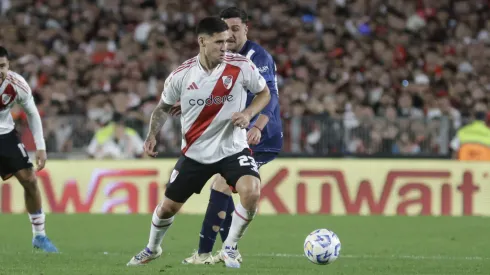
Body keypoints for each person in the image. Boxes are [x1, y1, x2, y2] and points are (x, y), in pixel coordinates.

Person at [126, 16, 271, 269]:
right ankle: (152, 248)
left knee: (252, 192)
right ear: (202, 42)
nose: (225, 47)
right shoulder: (181, 76)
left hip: (232, 149)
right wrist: (151, 135)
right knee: (167, 208)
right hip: (196, 153)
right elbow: (162, 109)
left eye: (227, 41)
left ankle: (230, 248)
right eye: (218, 42)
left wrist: (248, 114)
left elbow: (264, 93)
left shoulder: (241, 65)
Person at [181, 7, 283, 265]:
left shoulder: (257, 57)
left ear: (246, 29)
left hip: (260, 137)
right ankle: (225, 250)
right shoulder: (222, 59)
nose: (230, 36)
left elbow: (269, 97)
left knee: (221, 185)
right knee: (222, 187)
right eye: (226, 32)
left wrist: (257, 126)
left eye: (236, 30)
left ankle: (209, 252)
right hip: (235, 137)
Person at [0, 46, 58, 252]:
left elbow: (32, 113)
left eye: (2, 66)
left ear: (8, 66)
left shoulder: (17, 84)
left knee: (30, 180)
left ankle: (40, 236)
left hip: (5, 136)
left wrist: (40, 147)